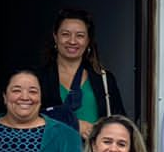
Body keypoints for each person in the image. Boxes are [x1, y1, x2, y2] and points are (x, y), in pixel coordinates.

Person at [38, 7, 125, 140]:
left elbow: (120, 123)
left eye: (80, 35)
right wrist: (74, 124)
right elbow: (27, 117)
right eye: (65, 34)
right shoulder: (38, 78)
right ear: (55, 37)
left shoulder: (104, 79)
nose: (72, 41)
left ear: (88, 40)